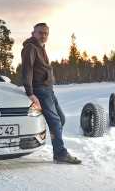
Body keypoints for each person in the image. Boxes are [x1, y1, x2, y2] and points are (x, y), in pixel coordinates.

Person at [21, 23, 81, 164]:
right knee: (55, 122)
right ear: (33, 33)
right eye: (40, 32)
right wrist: (30, 92)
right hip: (39, 89)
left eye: (46, 33)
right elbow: (27, 70)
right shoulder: (30, 47)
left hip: (48, 89)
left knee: (61, 119)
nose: (43, 35)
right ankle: (60, 153)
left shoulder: (40, 47)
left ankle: (51, 140)